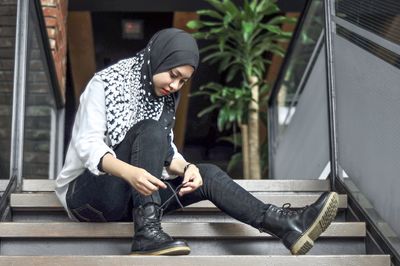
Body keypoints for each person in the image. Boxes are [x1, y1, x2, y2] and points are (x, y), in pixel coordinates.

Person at [55, 28, 339, 256]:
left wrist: (188, 167)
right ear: (160, 58)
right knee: (150, 130)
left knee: (207, 173)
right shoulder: (105, 83)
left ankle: (286, 225)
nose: (175, 86)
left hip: (135, 197)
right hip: (89, 197)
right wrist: (130, 172)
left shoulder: (163, 100)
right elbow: (89, 145)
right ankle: (147, 233)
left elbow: (165, 151)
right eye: (173, 76)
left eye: (183, 82)